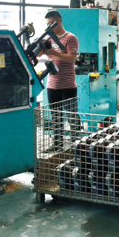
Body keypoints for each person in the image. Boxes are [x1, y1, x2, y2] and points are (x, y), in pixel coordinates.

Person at [40, 10, 79, 151]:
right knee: (56, 117)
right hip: (52, 85)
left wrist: (54, 52)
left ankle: (77, 145)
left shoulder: (70, 38)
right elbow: (39, 54)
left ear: (60, 21)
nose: (49, 26)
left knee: (72, 117)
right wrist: (39, 46)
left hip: (67, 85)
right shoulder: (49, 39)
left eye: (52, 23)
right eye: (47, 24)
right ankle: (57, 145)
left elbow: (71, 58)